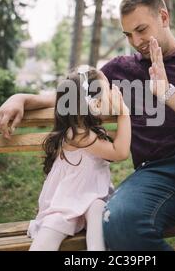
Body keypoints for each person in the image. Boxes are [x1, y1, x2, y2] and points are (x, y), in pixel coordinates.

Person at [0, 0, 175, 251]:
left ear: (164, 17)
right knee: (119, 224)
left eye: (141, 30)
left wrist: (168, 94)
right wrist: (24, 99)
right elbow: (76, 94)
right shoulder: (121, 70)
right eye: (128, 34)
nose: (136, 41)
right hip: (155, 172)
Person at [25, 65, 131, 251]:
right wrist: (124, 113)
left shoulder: (88, 131)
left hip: (91, 197)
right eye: (108, 89)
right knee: (54, 226)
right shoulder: (76, 134)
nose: (114, 93)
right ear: (94, 103)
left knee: (98, 208)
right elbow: (120, 152)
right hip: (67, 200)